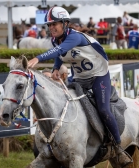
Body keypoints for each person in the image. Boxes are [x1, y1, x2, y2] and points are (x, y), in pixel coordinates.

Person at [27, 6, 132, 167]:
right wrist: (56, 68)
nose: (51, 28)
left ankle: (118, 149)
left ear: (65, 23)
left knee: (103, 109)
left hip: (99, 76)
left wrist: (38, 58)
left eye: (54, 24)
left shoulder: (75, 37)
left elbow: (60, 50)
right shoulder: (57, 39)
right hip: (80, 78)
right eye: (49, 25)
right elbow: (61, 55)